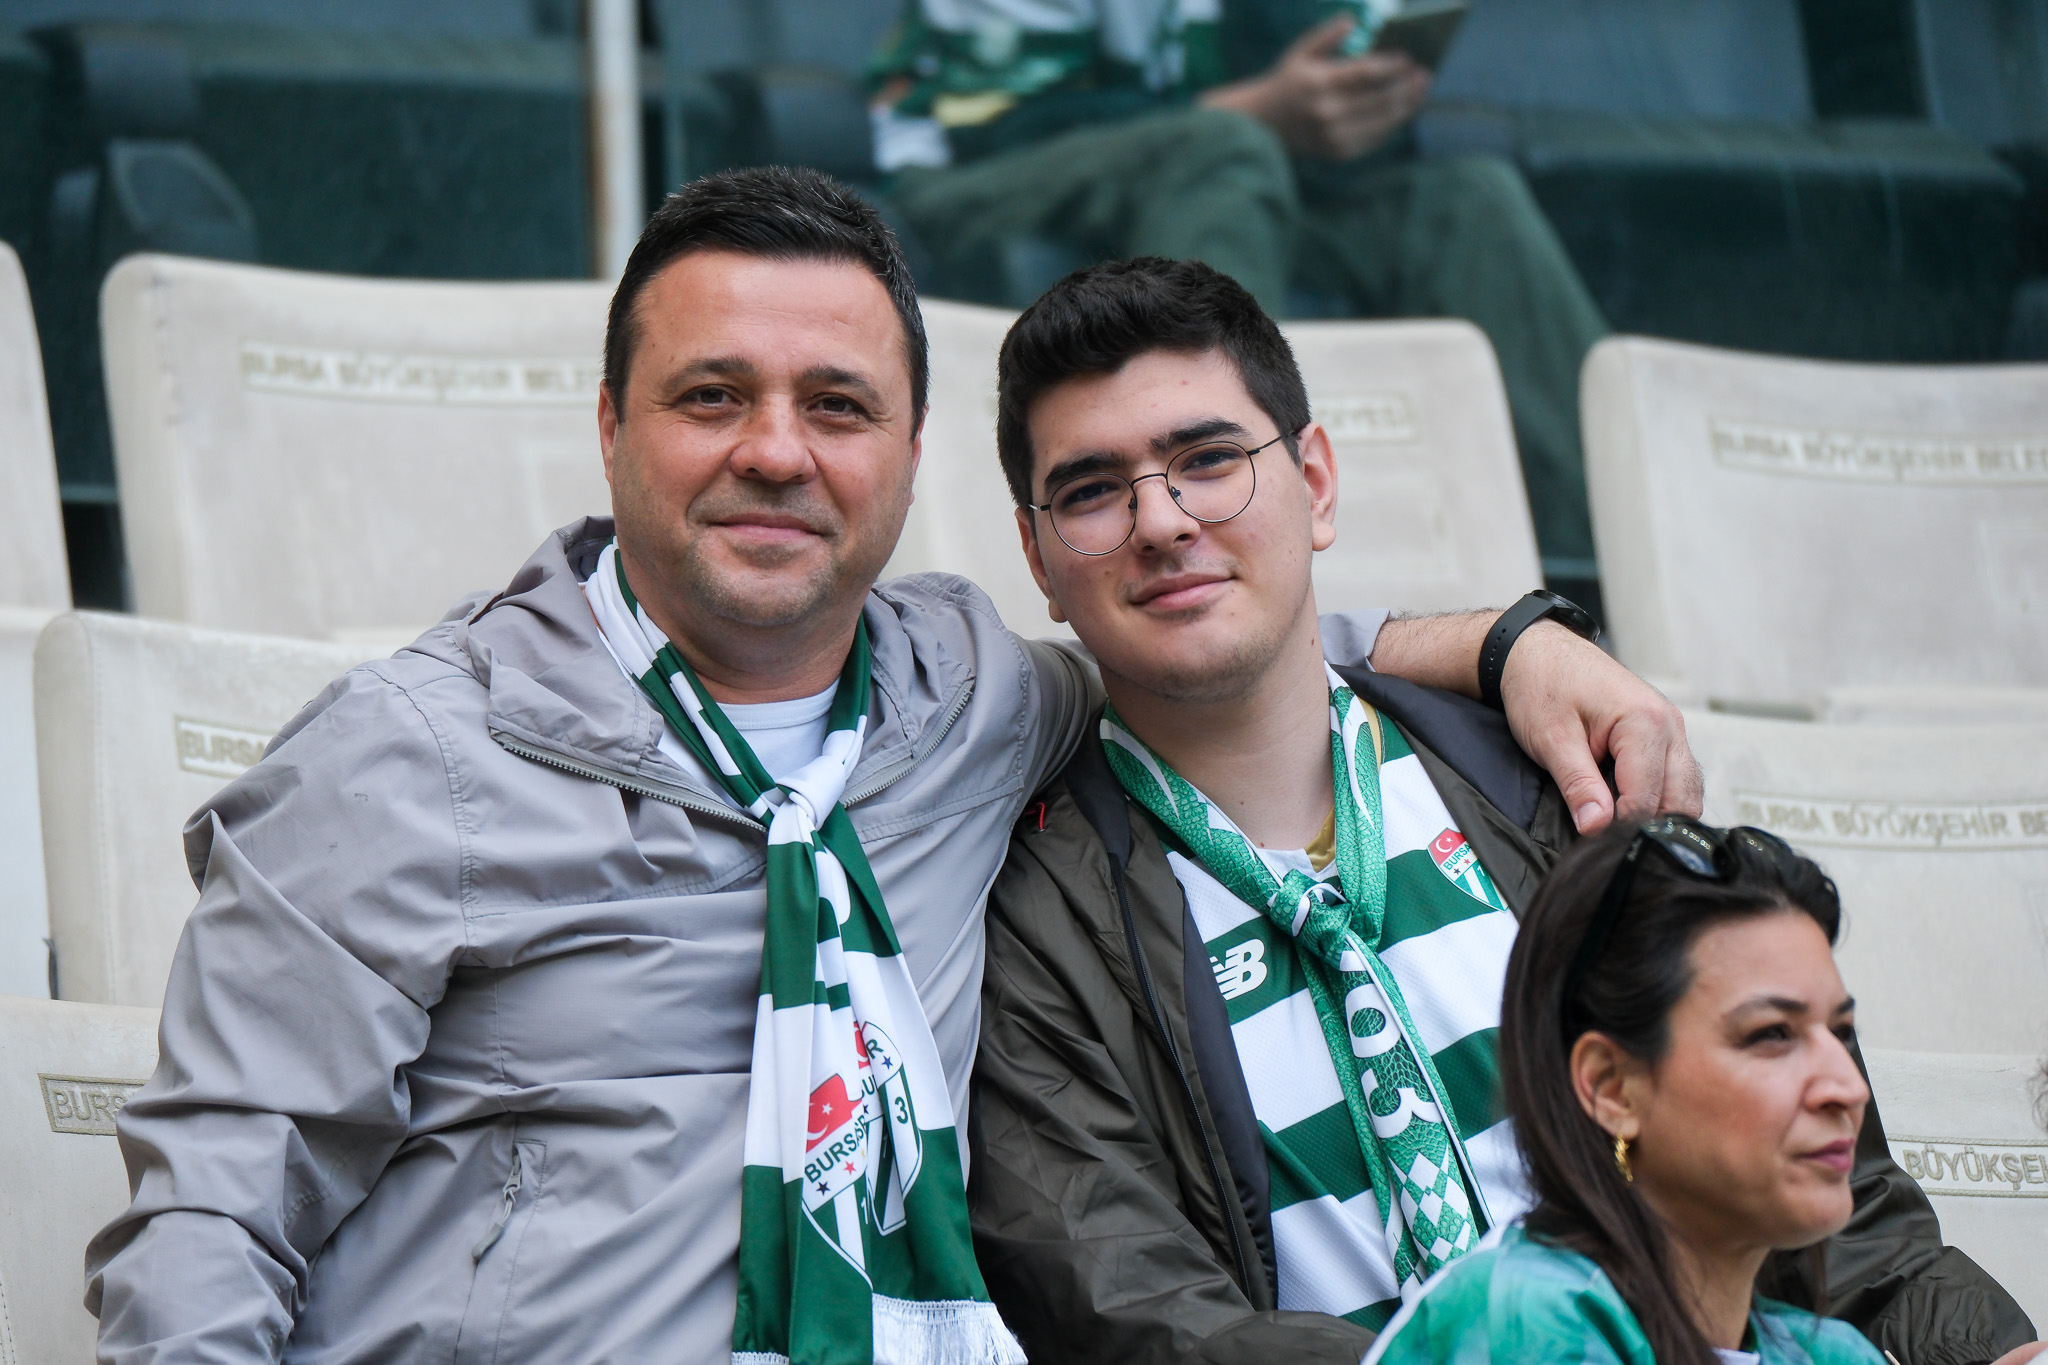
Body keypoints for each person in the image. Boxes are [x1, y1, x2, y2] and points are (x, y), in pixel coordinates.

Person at [83, 167, 1693, 1363]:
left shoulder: (966, 698)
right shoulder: (405, 759)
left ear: (911, 459)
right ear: (611, 427)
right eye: (712, 396)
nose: (777, 449)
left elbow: (1218, 634)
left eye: (837, 405)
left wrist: (1510, 644)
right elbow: (209, 1220)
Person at [964, 255, 2034, 1364]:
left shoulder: (1549, 780)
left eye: (1208, 460)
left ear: (1316, 483)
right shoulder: (1024, 928)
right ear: (1037, 556)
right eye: (1091, 492)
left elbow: (1835, 1213)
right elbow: (1137, 1321)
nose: (1160, 519)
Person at [869, 0, 1610, 592]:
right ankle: (1223, 532)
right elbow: (992, 124)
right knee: (1225, 148)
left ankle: (1602, 576)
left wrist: (1353, 103)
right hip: (971, 181)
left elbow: (1331, 105)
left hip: (1238, 174)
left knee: (1471, 203)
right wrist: (1256, 107)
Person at [1365, 817, 2043, 1365]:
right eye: (1772, 1034)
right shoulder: (1519, 1322)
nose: (1846, 1086)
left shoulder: (1830, 1353)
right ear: (1612, 1088)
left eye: (1840, 1033)